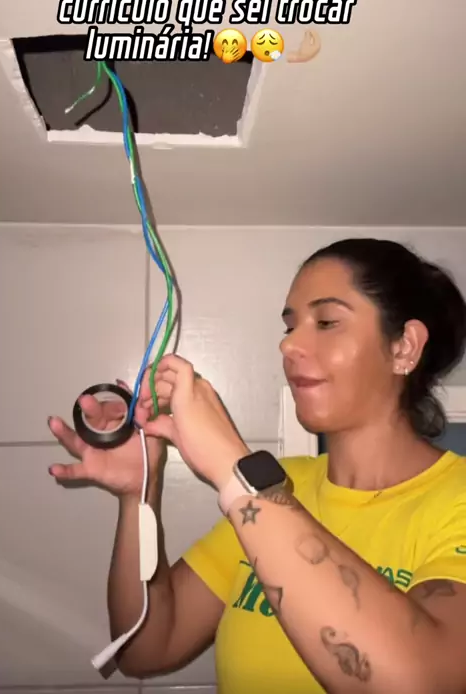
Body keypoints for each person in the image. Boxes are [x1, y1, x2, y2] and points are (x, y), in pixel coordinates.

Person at [48, 237, 466, 693]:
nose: (289, 345)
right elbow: (146, 647)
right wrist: (139, 492)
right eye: (290, 326)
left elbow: (423, 682)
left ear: (404, 347)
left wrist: (234, 469)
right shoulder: (283, 485)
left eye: (327, 322)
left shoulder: (453, 499)